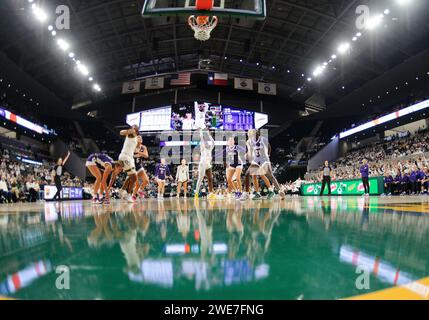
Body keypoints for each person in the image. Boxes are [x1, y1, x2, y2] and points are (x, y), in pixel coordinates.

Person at [240, 130, 285, 201]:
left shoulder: (263, 139)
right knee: (247, 174)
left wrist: (268, 155)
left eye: (252, 134)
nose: (251, 136)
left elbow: (269, 147)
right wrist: (247, 156)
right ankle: (246, 193)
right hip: (256, 160)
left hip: (264, 159)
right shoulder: (248, 142)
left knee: (270, 175)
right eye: (249, 135)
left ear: (256, 134)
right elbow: (250, 153)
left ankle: (280, 191)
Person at [118, 125, 140, 203]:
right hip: (125, 156)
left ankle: (122, 190)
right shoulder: (131, 133)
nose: (132, 127)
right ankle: (128, 194)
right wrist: (126, 131)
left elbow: (135, 151)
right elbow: (121, 132)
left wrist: (138, 145)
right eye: (132, 127)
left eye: (134, 127)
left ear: (137, 130)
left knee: (132, 177)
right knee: (134, 177)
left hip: (130, 157)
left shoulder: (135, 139)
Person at [194, 128, 215, 200]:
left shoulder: (210, 149)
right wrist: (200, 131)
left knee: (210, 178)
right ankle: (196, 193)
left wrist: (209, 135)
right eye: (205, 143)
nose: (207, 144)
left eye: (207, 143)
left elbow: (213, 143)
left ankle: (211, 193)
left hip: (208, 165)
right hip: (202, 165)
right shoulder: (203, 148)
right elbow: (202, 139)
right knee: (200, 179)